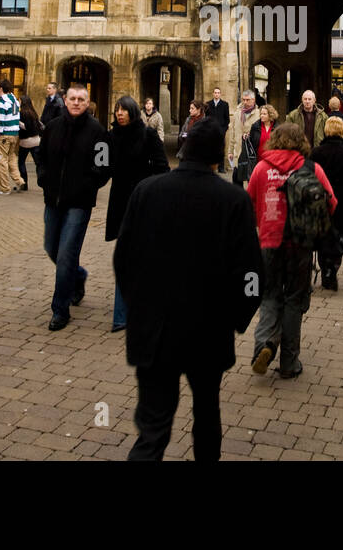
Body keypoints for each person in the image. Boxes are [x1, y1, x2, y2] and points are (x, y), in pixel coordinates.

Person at [113, 117, 263, 460]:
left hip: (154, 329)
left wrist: (137, 306)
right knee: (207, 414)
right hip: (207, 331)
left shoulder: (146, 190)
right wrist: (236, 319)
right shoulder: (232, 200)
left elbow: (124, 258)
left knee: (152, 426)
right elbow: (252, 275)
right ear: (216, 156)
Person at [246, 123, 337, 379]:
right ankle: (289, 362)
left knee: (270, 296)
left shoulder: (261, 168)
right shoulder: (311, 168)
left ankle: (264, 344)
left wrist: (262, 222)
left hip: (269, 242)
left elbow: (249, 202)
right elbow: (332, 202)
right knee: (294, 300)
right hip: (301, 245)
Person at [35, 85, 110, 331]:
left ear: (87, 103)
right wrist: (43, 179)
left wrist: (88, 186)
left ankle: (60, 309)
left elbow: (104, 166)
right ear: (65, 100)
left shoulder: (98, 131)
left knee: (66, 254)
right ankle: (78, 277)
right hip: (53, 199)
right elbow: (41, 157)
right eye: (72, 98)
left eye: (81, 99)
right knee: (51, 248)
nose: (76, 102)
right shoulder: (53, 127)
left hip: (79, 203)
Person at [105, 96, 169, 333]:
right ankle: (121, 316)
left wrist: (149, 187)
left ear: (132, 111)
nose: (119, 113)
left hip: (144, 202)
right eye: (116, 109)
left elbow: (163, 168)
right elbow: (101, 166)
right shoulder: (110, 137)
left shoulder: (148, 135)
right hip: (121, 202)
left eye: (123, 109)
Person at [310, 116, 343, 291]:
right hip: (341, 198)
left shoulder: (316, 152)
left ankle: (325, 268)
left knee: (323, 233)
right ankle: (333, 266)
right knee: (339, 233)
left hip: (320, 197)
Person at [0, 78, 22, 195]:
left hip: (4, 135)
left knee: (1, 161)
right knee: (12, 159)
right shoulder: (14, 99)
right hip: (15, 134)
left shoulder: (1, 101)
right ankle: (19, 180)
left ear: (1, 88)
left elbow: (0, 121)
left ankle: (4, 188)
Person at [227, 90, 261, 188]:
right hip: (238, 152)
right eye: (243, 99)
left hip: (252, 154)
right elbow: (233, 133)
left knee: (252, 181)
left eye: (248, 100)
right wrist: (230, 151)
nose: (245, 102)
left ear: (253, 100)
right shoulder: (237, 113)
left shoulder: (259, 114)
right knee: (236, 181)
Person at [238, 103, 277, 181]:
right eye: (261, 114)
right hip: (257, 160)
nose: (261, 116)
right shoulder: (255, 126)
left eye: (264, 114)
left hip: (272, 161)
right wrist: (246, 137)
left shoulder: (277, 128)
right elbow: (251, 142)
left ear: (270, 115)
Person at [16, 94, 42, 193]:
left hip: (26, 141)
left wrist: (18, 122)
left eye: (19, 100)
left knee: (21, 162)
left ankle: (24, 184)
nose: (18, 102)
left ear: (23, 102)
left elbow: (27, 126)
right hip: (36, 140)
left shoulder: (23, 113)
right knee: (38, 163)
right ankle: (42, 181)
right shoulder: (33, 112)